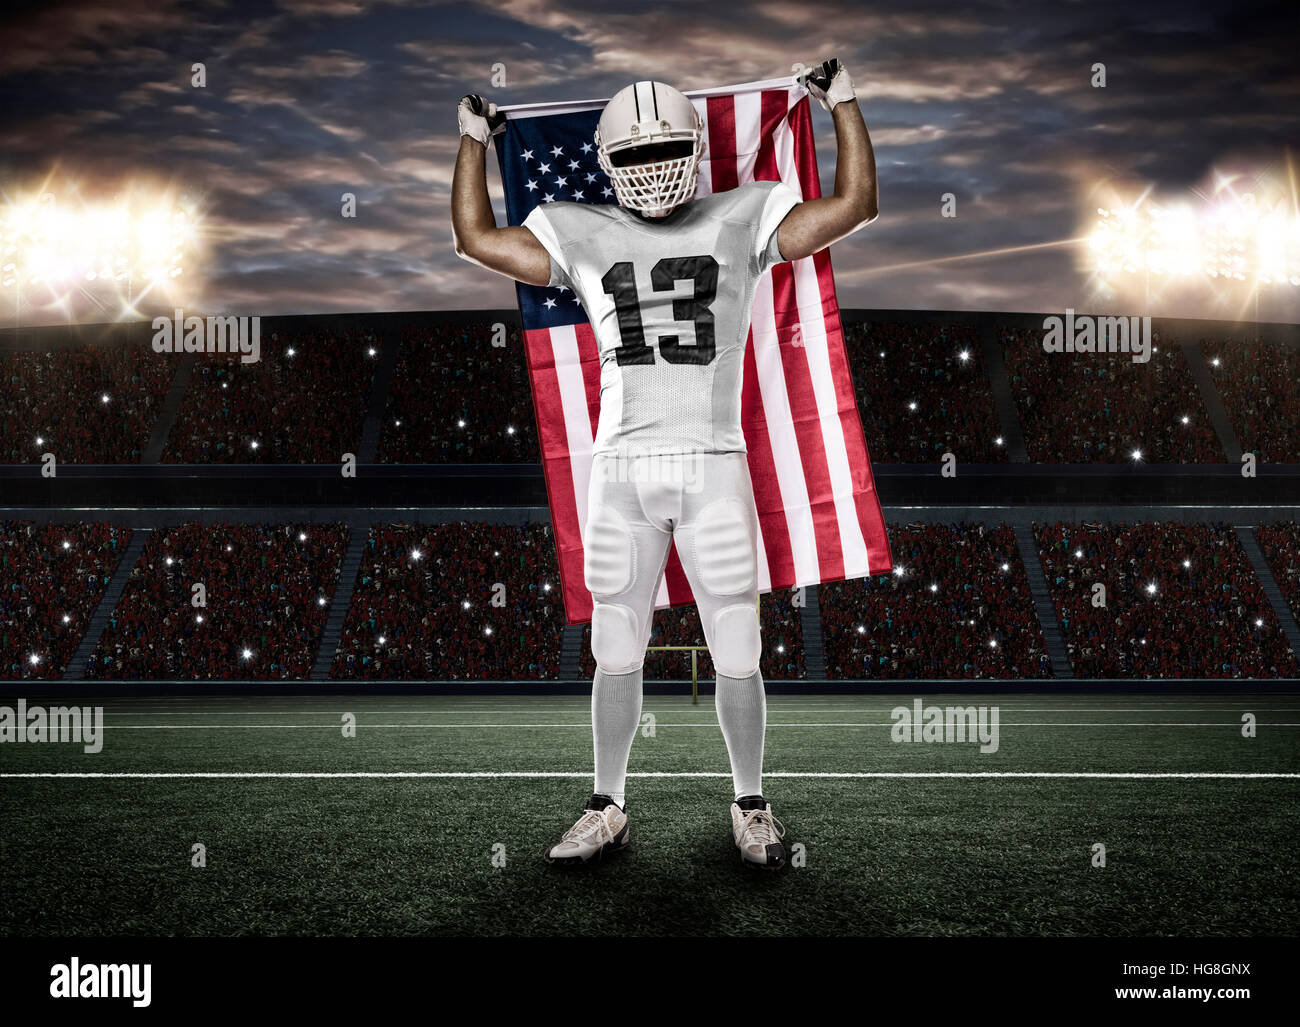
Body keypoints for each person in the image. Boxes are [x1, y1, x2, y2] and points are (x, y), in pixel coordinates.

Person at [451, 59, 878, 869]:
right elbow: (474, 240)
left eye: (665, 153)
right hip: (619, 470)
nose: (652, 173)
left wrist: (842, 103)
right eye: (636, 159)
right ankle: (607, 803)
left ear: (697, 149)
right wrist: (473, 141)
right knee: (616, 645)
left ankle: (750, 802)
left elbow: (857, 205)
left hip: (713, 462)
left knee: (739, 649)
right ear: (608, 164)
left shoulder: (742, 213)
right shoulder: (580, 229)